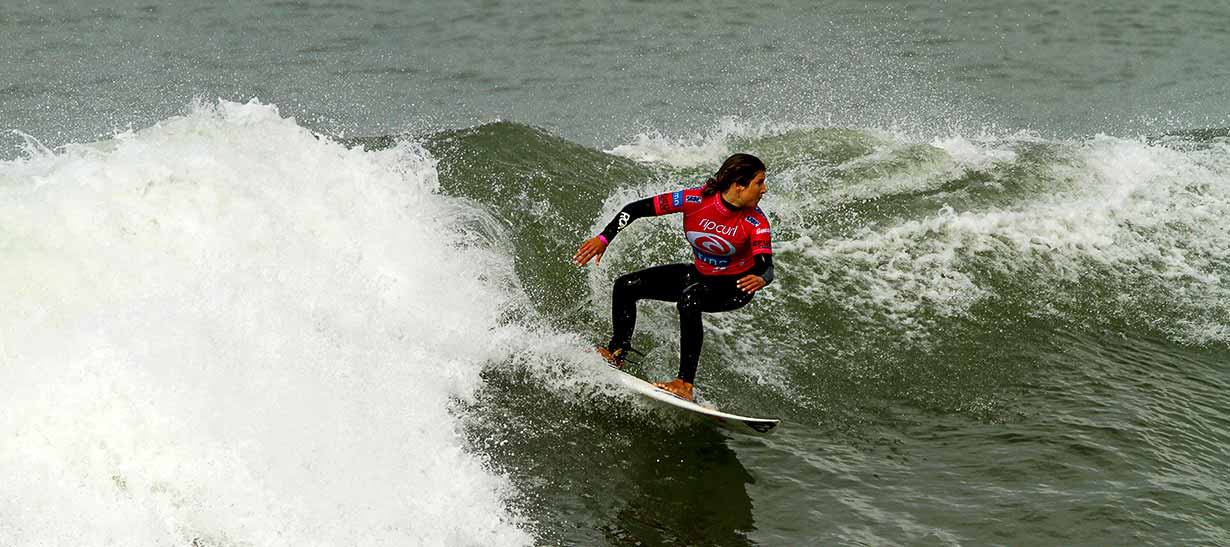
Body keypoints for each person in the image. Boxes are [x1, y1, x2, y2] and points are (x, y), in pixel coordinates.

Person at [572, 153, 775, 401]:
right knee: (626, 286)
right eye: (760, 182)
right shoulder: (695, 200)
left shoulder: (756, 221)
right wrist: (604, 238)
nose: (764, 189)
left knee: (690, 299)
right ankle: (616, 352)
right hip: (700, 275)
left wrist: (761, 279)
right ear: (739, 185)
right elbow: (634, 209)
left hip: (735, 287)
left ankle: (684, 384)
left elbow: (767, 266)